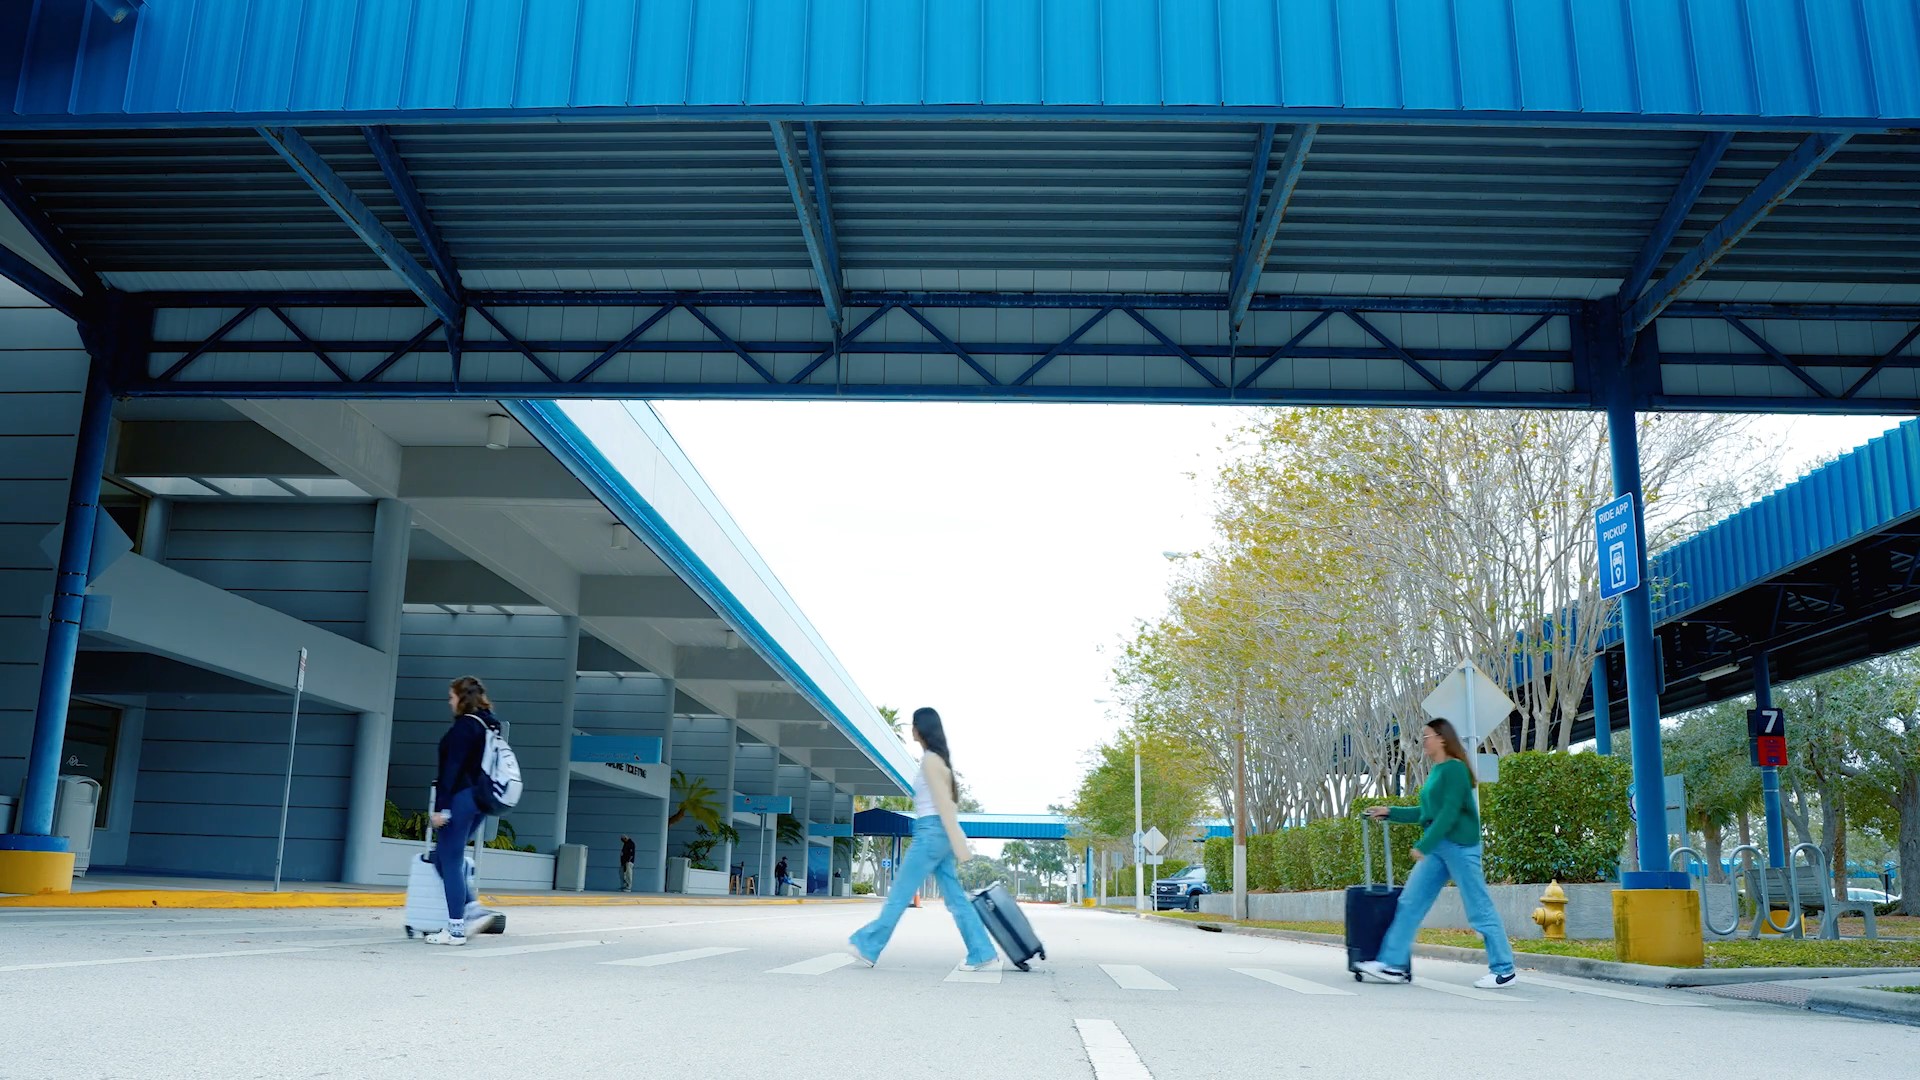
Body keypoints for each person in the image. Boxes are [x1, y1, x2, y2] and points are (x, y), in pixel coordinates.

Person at [1356, 717, 1515, 988]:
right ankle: (1392, 965)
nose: (1423, 741)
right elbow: (1426, 814)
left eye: (1427, 736)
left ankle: (1504, 970)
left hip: (1461, 847)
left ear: (1442, 738)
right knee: (1410, 903)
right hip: (1439, 846)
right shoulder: (1437, 772)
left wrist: (1424, 845)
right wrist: (1390, 812)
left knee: (1478, 907)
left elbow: (1450, 813)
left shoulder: (1454, 769)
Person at [847, 707, 999, 971]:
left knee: (900, 893)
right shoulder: (937, 760)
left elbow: (944, 805)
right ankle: (982, 950)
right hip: (937, 835)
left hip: (930, 833)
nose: (911, 729)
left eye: (914, 724)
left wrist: (958, 843)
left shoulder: (931, 760)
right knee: (955, 899)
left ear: (922, 728)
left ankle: (869, 945)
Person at [425, 676, 502, 946]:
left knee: (451, 858)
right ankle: (472, 909)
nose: (449, 701)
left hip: (461, 798)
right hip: (481, 799)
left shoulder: (465, 727)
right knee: (442, 857)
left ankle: (456, 928)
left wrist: (441, 808)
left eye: (452, 696)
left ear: (462, 697)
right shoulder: (489, 723)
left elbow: (452, 771)